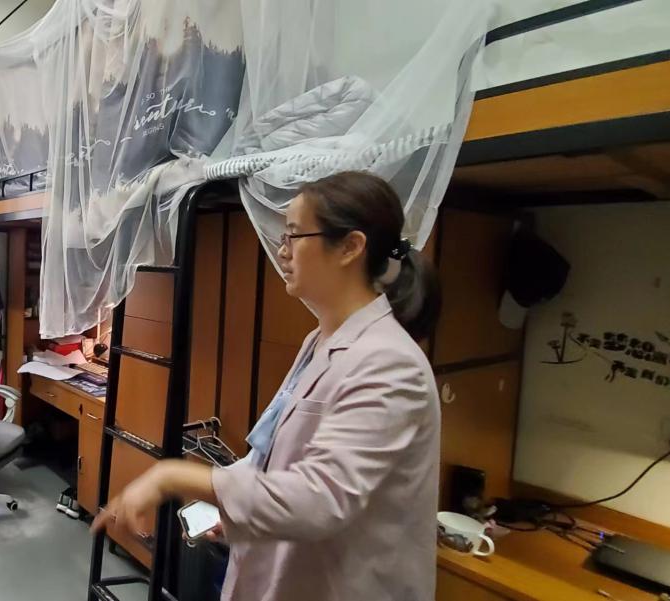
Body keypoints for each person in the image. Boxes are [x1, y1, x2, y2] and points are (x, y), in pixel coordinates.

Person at [93, 171, 443, 600]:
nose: (282, 250)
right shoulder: (319, 340)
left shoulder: (390, 364)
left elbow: (319, 499)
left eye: (295, 235)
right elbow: (269, 457)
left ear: (350, 247)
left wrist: (174, 475)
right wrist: (231, 508)